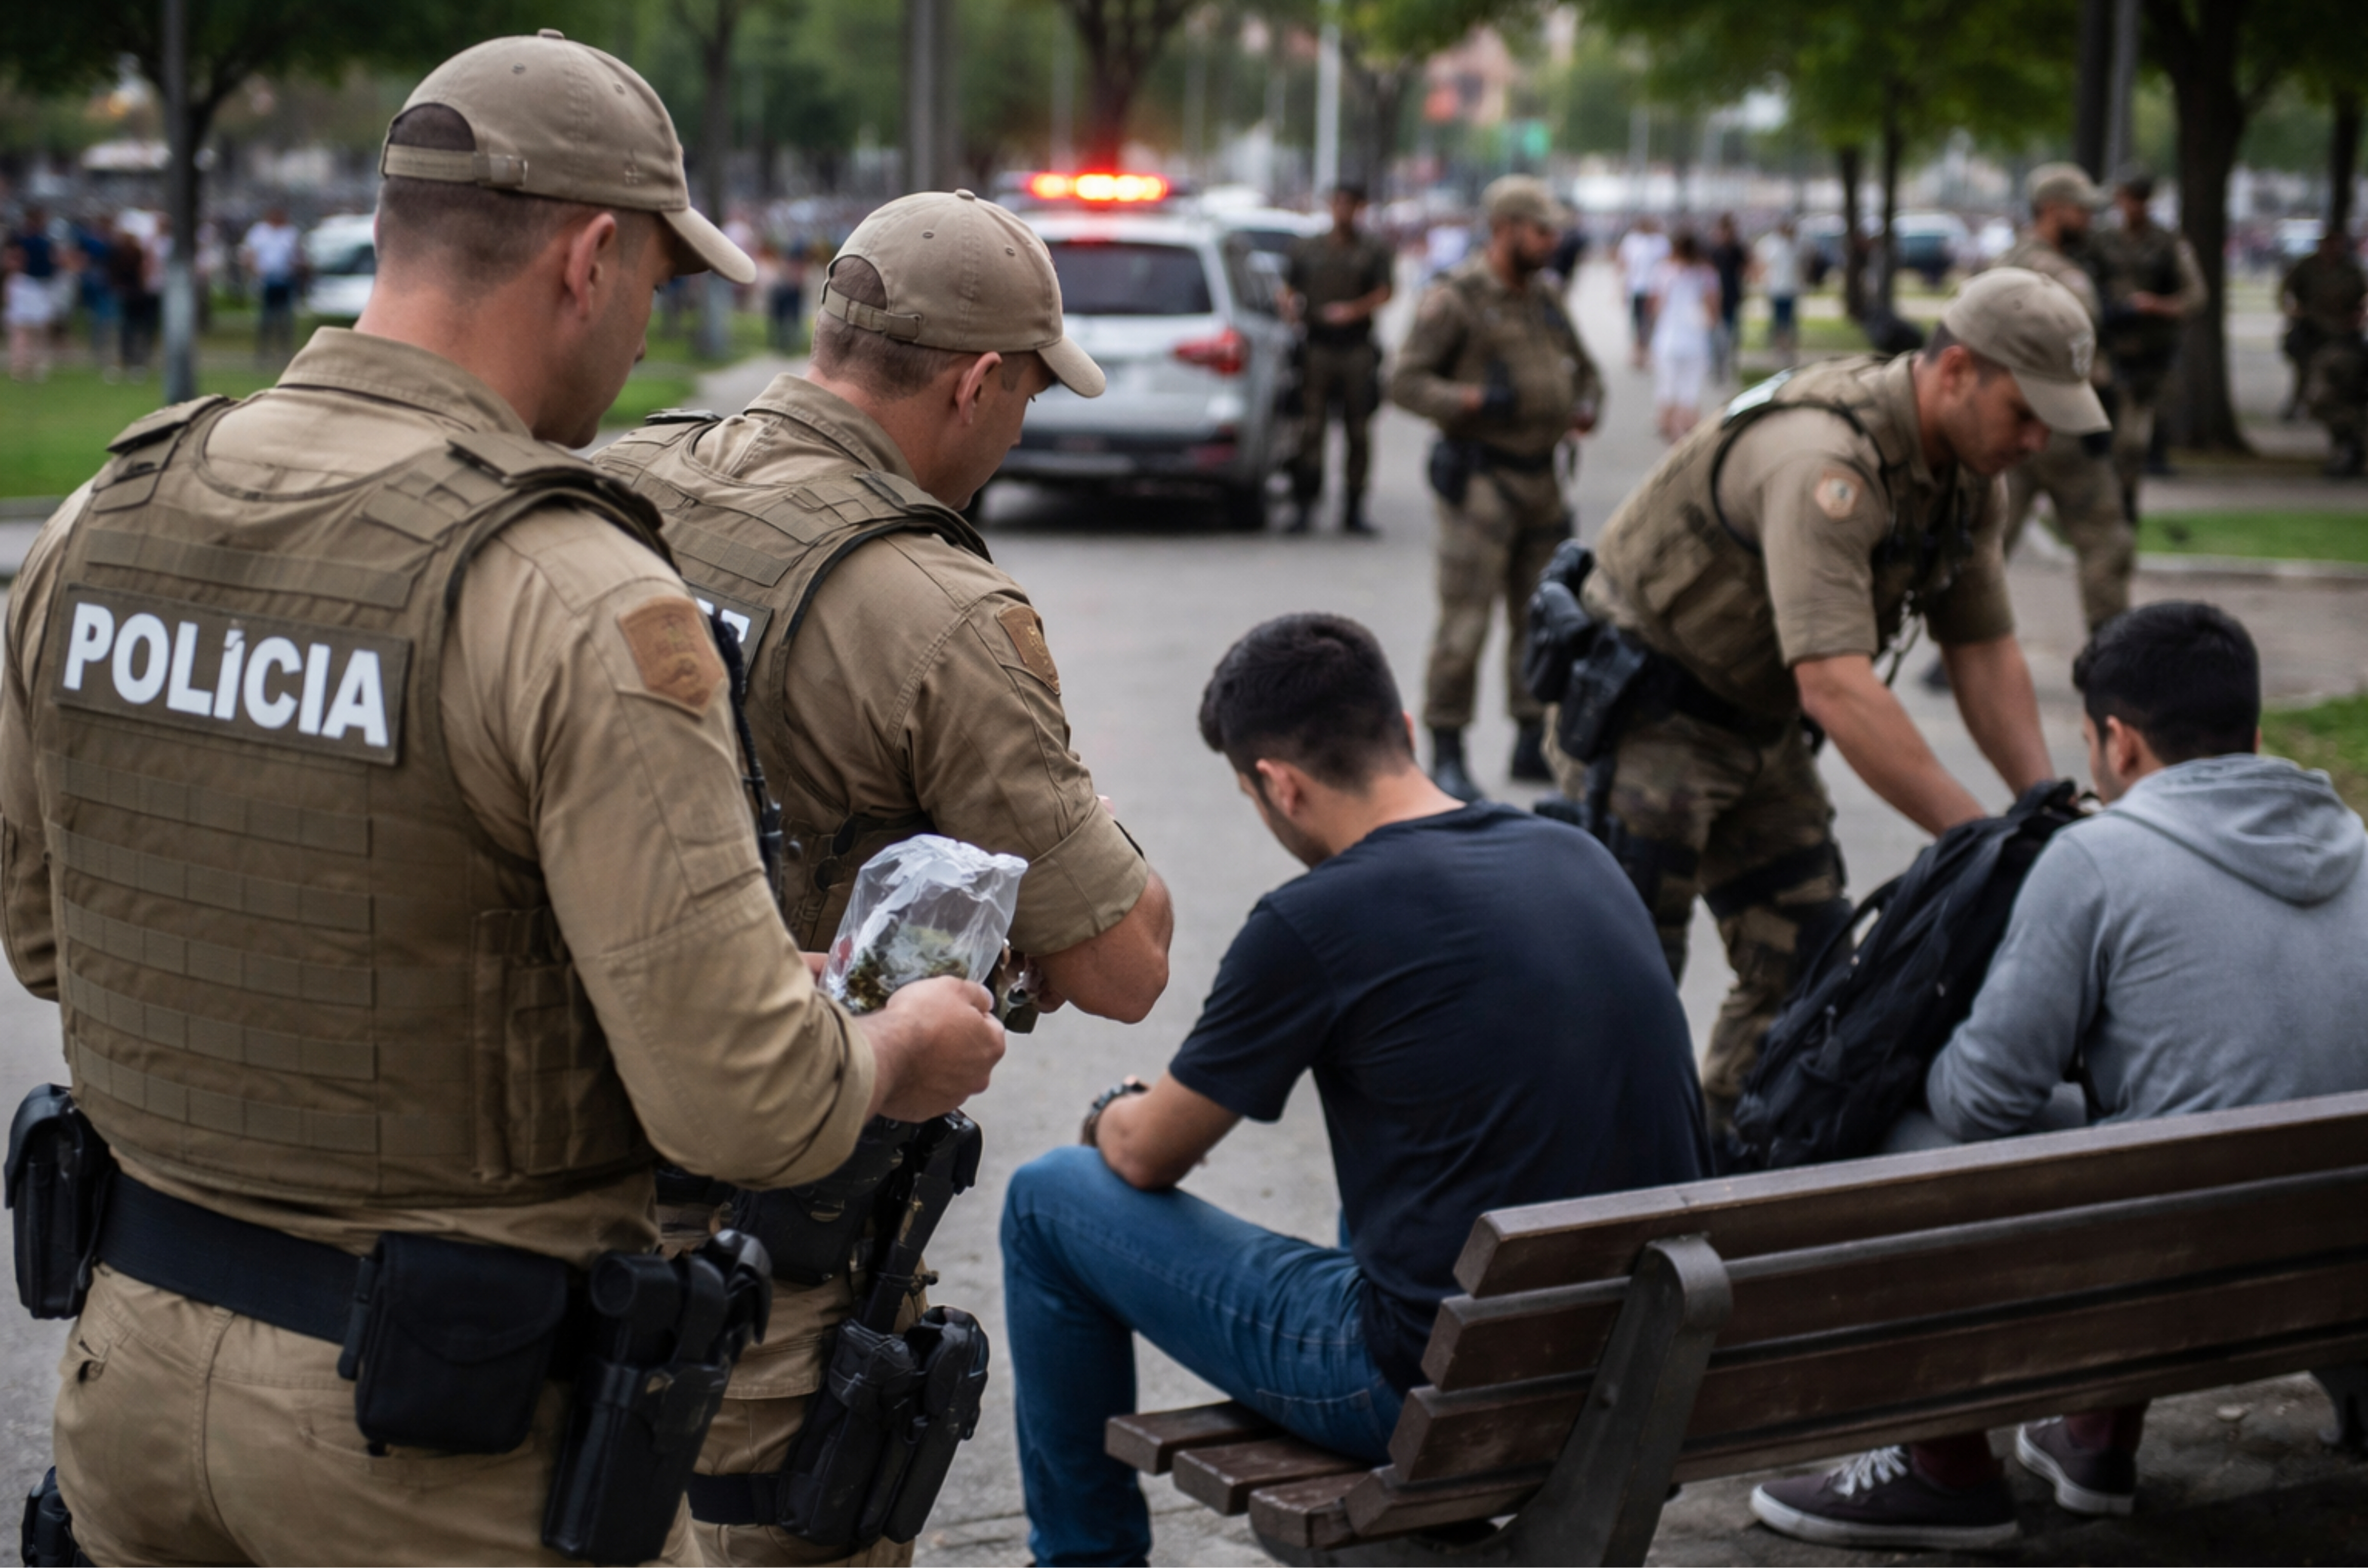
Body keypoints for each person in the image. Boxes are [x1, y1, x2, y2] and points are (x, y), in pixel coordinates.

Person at [0, 34, 1005, 1564]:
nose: (649, 324)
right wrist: (896, 1043)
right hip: (440, 1442)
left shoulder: (105, 515)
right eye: (658, 280)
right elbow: (743, 1102)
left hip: (130, 1380)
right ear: (588, 259)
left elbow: (47, 931)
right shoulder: (571, 587)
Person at [598, 186, 1176, 1567]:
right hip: (764, 1257)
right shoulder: (936, 608)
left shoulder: (621, 476)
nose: (1021, 427)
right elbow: (1123, 962)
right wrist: (1073, 809)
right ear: (977, 383)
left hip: (559, 1194)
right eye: (1027, 394)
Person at [999, 613, 1710, 1567]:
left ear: (1280, 784)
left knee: (1049, 1197)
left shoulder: (1314, 919)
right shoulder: (1578, 852)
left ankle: (1085, 1558)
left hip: (1432, 1392)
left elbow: (1145, 1152)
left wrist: (1109, 1111)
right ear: (1405, 728)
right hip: (1644, 1368)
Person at [1750, 600, 2368, 1550]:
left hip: (2171, 1281)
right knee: (2160, 1114)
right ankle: (2093, 1435)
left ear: (2119, 741)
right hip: (2332, 1259)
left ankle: (1944, 1469)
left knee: (1901, 1128)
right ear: (2250, 734)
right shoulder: (2356, 846)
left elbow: (1980, 1103)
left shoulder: (2099, 857)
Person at [1551, 267, 2088, 1130]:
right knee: (1628, 985)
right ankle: (1596, 1184)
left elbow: (1983, 648)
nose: (2037, 440)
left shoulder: (1967, 477)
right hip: (1650, 716)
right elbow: (1834, 685)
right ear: (1957, 371)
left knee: (1808, 966)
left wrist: (2043, 812)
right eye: (2025, 413)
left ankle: (1723, 1164)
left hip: (1757, 724)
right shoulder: (1826, 462)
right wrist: (1981, 849)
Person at [1390, 174, 1605, 802]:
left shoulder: (1544, 297)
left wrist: (1584, 404)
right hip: (1481, 482)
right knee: (1465, 621)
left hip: (1542, 479)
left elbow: (1587, 370)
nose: (1550, 241)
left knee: (1541, 616)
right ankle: (1447, 747)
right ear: (1504, 229)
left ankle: (1531, 736)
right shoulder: (1455, 299)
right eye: (1539, 231)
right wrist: (1472, 400)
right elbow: (1403, 382)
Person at [1994, 163, 2132, 634]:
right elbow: (2082, 343)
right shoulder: (2059, 272)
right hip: (2062, 426)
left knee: (1987, 540)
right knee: (2104, 539)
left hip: (2003, 421)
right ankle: (2112, 647)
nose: (2089, 220)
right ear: (2052, 210)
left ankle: (1960, 646)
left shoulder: (2005, 261)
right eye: (2081, 210)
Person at [2087, 165, 2207, 513]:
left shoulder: (2167, 243)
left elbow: (2196, 295)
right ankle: (2112, 502)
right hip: (2111, 350)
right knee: (2108, 440)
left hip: (2152, 355)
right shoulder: (2101, 241)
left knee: (2133, 441)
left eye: (2139, 198)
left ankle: (2123, 502)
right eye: (2127, 198)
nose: (2132, 206)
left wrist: (2159, 306)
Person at [1284, 183, 1395, 535]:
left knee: (1357, 430)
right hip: (1317, 346)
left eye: (1350, 204)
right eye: (1338, 203)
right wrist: (1289, 309)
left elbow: (1385, 291)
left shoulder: (1373, 249)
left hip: (1355, 347)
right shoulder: (1309, 247)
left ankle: (1354, 507)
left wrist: (1353, 311)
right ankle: (1305, 504)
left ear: (1360, 208)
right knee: (1310, 428)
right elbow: (1288, 285)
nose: (1343, 210)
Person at [2281, 230, 2366, 477]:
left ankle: (2350, 449)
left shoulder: (2351, 271)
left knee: (2340, 397)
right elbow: (2287, 294)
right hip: (2314, 335)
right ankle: (2347, 447)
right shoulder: (2307, 268)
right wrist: (2296, 313)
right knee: (2320, 393)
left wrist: (2357, 319)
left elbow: (2362, 299)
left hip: (2344, 339)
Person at [1649, 229, 1718, 442]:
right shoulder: (1706, 274)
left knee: (1667, 387)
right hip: (1695, 340)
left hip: (1669, 338)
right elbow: (1713, 311)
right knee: (1690, 391)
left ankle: (1668, 427)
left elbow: (1655, 307)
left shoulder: (1664, 272)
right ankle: (1688, 432)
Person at [241, 205, 304, 362]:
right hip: (266, 280)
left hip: (285, 279)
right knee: (266, 318)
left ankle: (285, 351)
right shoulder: (259, 232)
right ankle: (264, 352)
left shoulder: (290, 233)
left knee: (285, 318)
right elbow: (249, 254)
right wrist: (255, 271)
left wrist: (296, 267)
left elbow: (299, 254)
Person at [1618, 214, 1670, 368]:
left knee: (1650, 321)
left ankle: (1647, 351)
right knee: (1637, 320)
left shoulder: (1661, 242)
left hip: (1654, 288)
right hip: (1637, 287)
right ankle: (1638, 351)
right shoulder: (1632, 240)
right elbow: (1625, 263)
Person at [1754, 215, 1804, 369]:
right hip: (1776, 289)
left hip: (1791, 289)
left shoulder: (1795, 243)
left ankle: (1788, 350)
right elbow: (1761, 264)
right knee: (1778, 321)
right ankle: (1779, 349)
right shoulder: (1769, 243)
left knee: (1789, 322)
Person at [1708, 212, 1748, 381]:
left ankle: (1729, 365)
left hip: (1732, 295)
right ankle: (1715, 366)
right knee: (1714, 334)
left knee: (1732, 333)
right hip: (1716, 297)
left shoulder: (1737, 250)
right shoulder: (1713, 251)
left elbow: (1745, 269)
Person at [5, 242, 51, 382]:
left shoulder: (30, 277)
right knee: (21, 337)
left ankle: (32, 367)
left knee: (32, 338)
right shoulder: (14, 279)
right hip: (22, 305)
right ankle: (21, 367)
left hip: (33, 301)